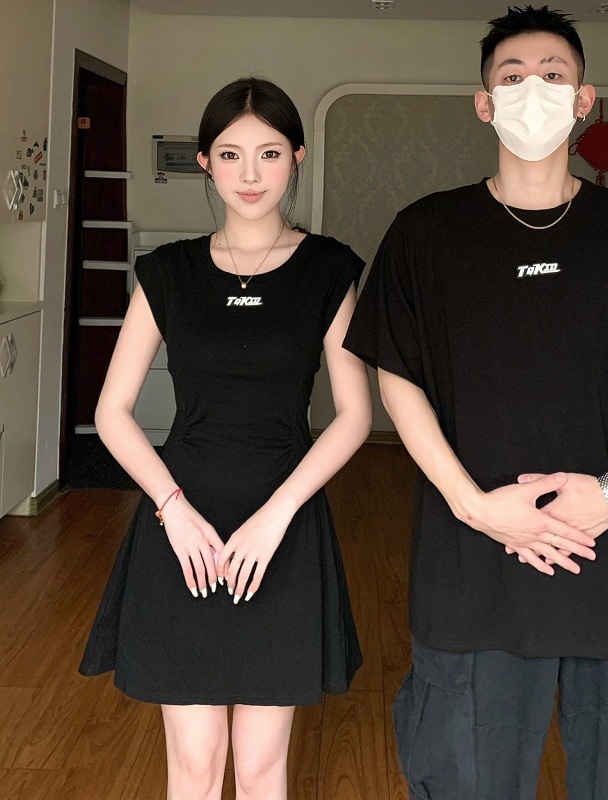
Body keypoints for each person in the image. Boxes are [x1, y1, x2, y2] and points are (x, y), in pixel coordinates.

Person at [343, 6, 608, 800]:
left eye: (553, 74)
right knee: (464, 781)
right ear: (484, 103)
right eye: (512, 77)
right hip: (473, 570)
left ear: (585, 99)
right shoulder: (427, 232)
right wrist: (474, 506)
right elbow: (398, 378)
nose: (532, 90)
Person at [79, 78, 371, 800]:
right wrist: (172, 508)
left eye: (269, 153)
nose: (250, 174)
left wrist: (278, 515)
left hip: (284, 524)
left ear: (296, 158)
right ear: (205, 162)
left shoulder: (329, 270)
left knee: (264, 765)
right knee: (195, 762)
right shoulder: (168, 273)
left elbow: (354, 415)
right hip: (184, 526)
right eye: (231, 154)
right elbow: (112, 411)